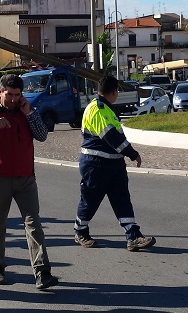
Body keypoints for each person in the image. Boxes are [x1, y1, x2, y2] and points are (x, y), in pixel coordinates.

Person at [0, 74, 58, 289]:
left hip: (25, 177)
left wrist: (28, 113)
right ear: (0, 91)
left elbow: (42, 136)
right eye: (9, 94)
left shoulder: (27, 110)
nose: (13, 99)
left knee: (33, 224)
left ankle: (41, 272)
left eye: (17, 95)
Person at [75, 76, 155, 252]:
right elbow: (112, 137)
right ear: (114, 92)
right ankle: (80, 231)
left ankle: (133, 236)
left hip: (113, 165)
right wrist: (133, 154)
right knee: (90, 201)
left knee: (122, 200)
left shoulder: (106, 109)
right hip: (95, 165)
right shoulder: (98, 109)